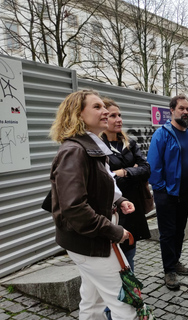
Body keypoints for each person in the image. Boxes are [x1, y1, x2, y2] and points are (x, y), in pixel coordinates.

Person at [49, 89, 137, 320]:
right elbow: (74, 207)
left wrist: (120, 200)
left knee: (92, 302)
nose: (106, 111)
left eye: (103, 106)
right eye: (97, 107)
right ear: (78, 115)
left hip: (90, 241)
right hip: (92, 242)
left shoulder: (91, 148)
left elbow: (99, 186)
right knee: (125, 305)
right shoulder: (74, 151)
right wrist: (114, 231)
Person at [147, 94, 188, 290]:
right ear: (172, 110)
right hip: (167, 193)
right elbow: (153, 165)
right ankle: (168, 270)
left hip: (185, 191)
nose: (185, 112)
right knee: (167, 232)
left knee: (179, 230)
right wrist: (161, 190)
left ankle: (175, 261)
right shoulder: (162, 134)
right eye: (181, 108)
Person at [101, 97, 151, 271]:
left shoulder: (129, 143)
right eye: (113, 115)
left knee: (130, 251)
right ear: (104, 118)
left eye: (119, 115)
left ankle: (130, 291)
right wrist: (131, 170)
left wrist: (125, 172)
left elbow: (146, 169)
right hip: (113, 207)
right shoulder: (99, 146)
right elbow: (105, 179)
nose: (119, 119)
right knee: (114, 254)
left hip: (132, 206)